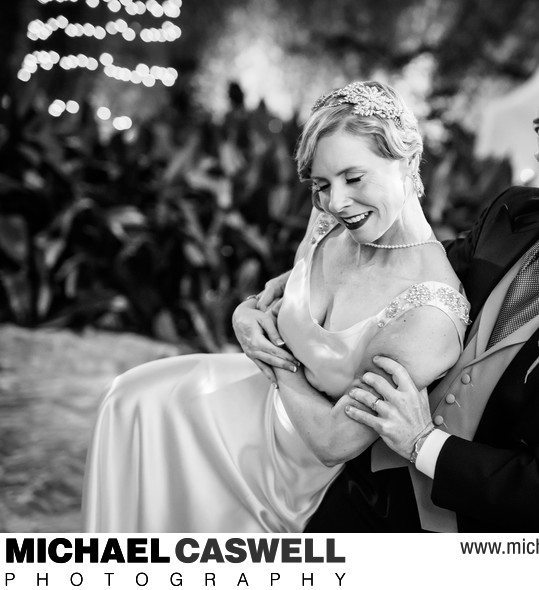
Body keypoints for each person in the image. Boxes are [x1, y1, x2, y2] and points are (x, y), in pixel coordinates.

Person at [237, 49, 539, 532]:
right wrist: (270, 299)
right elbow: (410, 272)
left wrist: (422, 443)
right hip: (373, 493)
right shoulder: (514, 213)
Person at [81, 81, 471, 532]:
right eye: (322, 183)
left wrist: (275, 361)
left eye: (354, 177)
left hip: (292, 476)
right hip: (247, 403)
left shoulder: (430, 310)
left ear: (408, 161)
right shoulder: (328, 220)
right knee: (127, 401)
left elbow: (332, 440)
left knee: (139, 411)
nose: (337, 201)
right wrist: (245, 315)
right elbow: (271, 302)